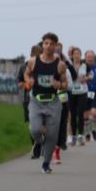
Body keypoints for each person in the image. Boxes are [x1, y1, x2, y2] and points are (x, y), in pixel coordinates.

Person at [24, 32, 69, 173]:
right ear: (42, 45)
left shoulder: (60, 65)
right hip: (36, 101)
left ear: (56, 46)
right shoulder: (33, 61)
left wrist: (59, 85)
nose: (48, 46)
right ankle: (38, 142)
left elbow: (66, 83)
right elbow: (26, 73)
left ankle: (46, 163)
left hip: (53, 102)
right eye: (46, 43)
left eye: (51, 44)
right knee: (35, 129)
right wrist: (28, 80)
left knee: (52, 135)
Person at [21, 44, 42, 151]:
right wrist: (26, 83)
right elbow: (19, 82)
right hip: (28, 98)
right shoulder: (24, 66)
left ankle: (40, 143)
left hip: (42, 99)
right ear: (31, 55)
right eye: (34, 55)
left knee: (41, 123)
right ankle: (34, 145)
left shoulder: (45, 66)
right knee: (31, 123)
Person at [67, 47, 89, 146]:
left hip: (82, 92)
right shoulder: (68, 66)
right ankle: (73, 137)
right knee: (72, 115)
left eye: (78, 54)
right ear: (72, 55)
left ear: (81, 55)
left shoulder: (85, 65)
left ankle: (81, 136)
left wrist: (86, 78)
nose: (77, 55)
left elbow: (91, 75)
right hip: (72, 92)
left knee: (80, 114)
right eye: (75, 54)